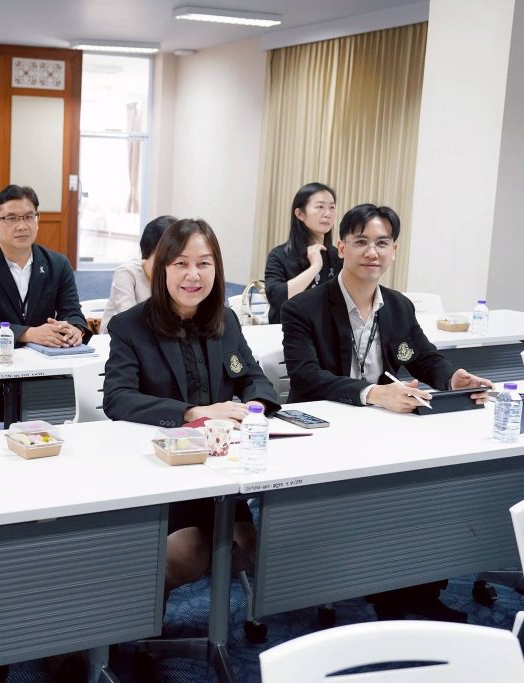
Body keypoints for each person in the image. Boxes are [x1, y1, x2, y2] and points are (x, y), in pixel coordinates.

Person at [281, 203, 491, 621]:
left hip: (385, 428)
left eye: (382, 243)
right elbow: (306, 376)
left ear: (394, 250)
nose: (371, 252)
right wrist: (372, 393)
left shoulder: (397, 307)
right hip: (326, 430)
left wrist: (453, 379)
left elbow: (423, 358)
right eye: (360, 242)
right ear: (341, 248)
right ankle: (379, 588)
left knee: (430, 485)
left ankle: (417, 589)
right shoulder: (303, 308)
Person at [103, 218, 280, 596]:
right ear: (162, 269)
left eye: (204, 263)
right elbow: (117, 397)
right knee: (186, 554)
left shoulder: (225, 320)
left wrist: (253, 406)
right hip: (163, 475)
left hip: (221, 471)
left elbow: (254, 377)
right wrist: (192, 413)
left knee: (256, 546)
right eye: (181, 263)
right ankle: (136, 618)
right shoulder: (130, 326)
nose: (193, 275)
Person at [0, 184, 90, 347]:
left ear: (37, 220)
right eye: (11, 218)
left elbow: (72, 311)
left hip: (48, 356)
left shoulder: (58, 264)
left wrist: (75, 329)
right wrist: (29, 334)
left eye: (28, 217)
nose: (22, 226)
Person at [264, 182, 341, 324]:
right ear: (300, 214)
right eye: (320, 207)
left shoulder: (336, 255)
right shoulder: (279, 255)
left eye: (332, 207)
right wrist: (315, 267)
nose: (327, 214)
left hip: (323, 332)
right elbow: (277, 299)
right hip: (286, 330)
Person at [99, 214, 175, 333]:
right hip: (117, 336)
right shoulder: (127, 273)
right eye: (162, 257)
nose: (168, 264)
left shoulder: (178, 274)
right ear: (148, 251)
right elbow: (129, 319)